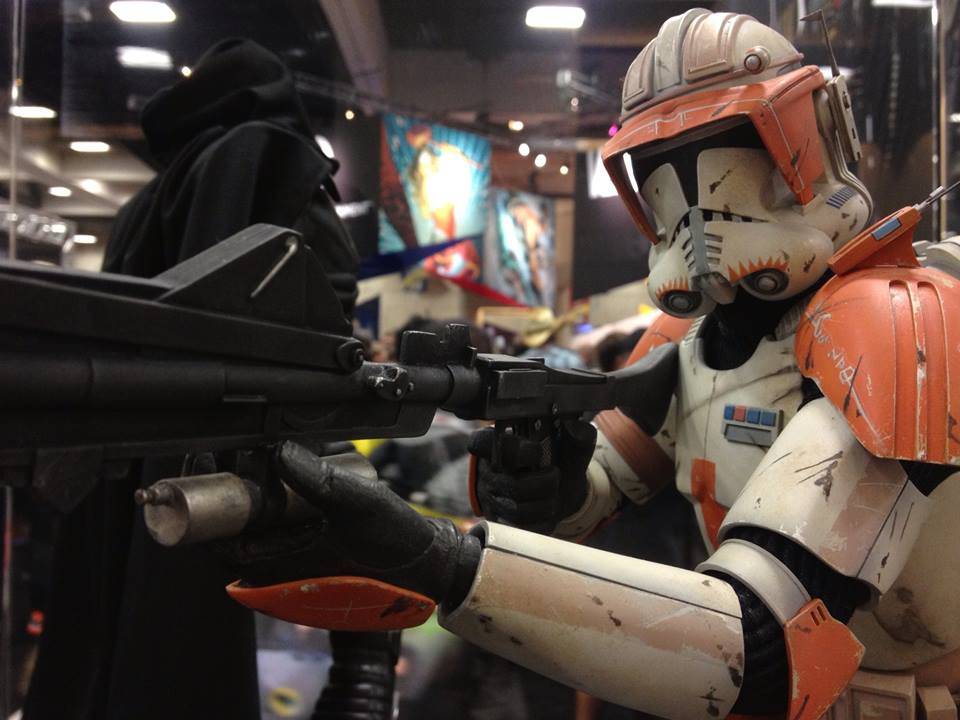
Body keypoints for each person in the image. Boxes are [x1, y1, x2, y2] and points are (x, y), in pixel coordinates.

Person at [190, 11, 960, 720]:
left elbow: (763, 645)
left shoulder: (899, 323)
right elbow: (593, 497)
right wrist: (546, 486)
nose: (700, 217)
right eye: (666, 171)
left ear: (805, 140)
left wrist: (439, 561)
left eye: (724, 153)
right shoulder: (687, 341)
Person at [24, 39, 359, 720]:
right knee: (180, 653)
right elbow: (324, 326)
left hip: (125, 466)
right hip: (221, 472)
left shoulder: (146, 201)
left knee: (108, 646)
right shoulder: (274, 163)